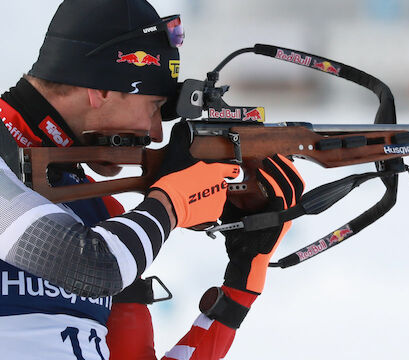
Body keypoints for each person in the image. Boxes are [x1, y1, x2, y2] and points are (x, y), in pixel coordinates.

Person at [0, 1, 304, 359]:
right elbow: (93, 266)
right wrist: (171, 203)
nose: (157, 132)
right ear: (101, 89)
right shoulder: (110, 247)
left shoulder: (101, 213)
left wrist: (243, 280)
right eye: (154, 106)